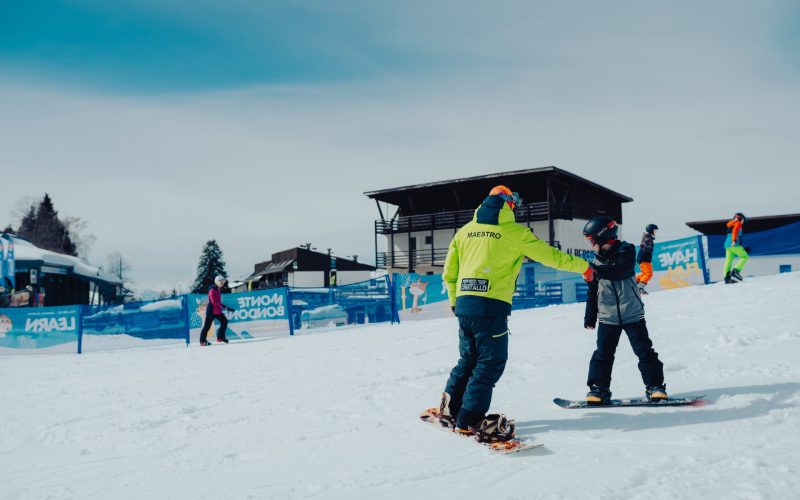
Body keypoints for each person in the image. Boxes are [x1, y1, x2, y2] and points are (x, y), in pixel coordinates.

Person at [439, 185, 593, 440]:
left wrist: (456, 301)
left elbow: (449, 272)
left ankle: (450, 410)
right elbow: (550, 256)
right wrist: (584, 267)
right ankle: (469, 419)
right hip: (491, 306)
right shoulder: (513, 232)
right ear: (509, 204)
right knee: (489, 362)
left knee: (468, 359)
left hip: (465, 305)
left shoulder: (465, 232)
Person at [582, 216, 667, 404]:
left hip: (632, 314)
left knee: (644, 351)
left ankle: (655, 386)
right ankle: (599, 389)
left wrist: (595, 271)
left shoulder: (626, 250)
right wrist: (590, 316)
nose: (591, 245)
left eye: (591, 241)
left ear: (603, 237)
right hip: (607, 316)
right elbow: (592, 291)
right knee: (602, 354)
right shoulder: (595, 262)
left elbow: (620, 270)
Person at [199, 275, 234, 345]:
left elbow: (217, 302)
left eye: (223, 281)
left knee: (224, 321)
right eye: (222, 281)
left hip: (217, 311)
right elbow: (214, 302)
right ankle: (202, 341)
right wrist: (225, 307)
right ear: (218, 281)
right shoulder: (212, 290)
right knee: (207, 326)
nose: (223, 283)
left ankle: (220, 337)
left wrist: (224, 307)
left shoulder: (217, 289)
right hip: (211, 311)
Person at [723, 212, 749, 284]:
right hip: (734, 244)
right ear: (740, 219)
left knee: (728, 261)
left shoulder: (730, 224)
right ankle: (736, 271)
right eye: (743, 220)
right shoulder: (738, 223)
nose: (743, 222)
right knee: (745, 256)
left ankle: (727, 278)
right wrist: (734, 240)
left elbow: (731, 232)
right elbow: (735, 232)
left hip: (727, 245)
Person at [635, 224, 658, 294]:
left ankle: (634, 282)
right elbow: (645, 247)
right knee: (648, 273)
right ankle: (640, 287)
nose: (656, 232)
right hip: (644, 258)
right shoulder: (647, 238)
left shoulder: (648, 237)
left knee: (645, 273)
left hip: (644, 258)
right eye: (655, 230)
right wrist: (649, 248)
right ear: (651, 230)